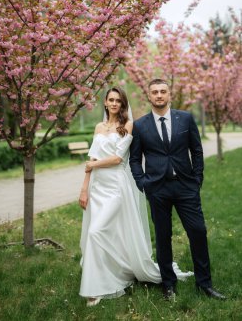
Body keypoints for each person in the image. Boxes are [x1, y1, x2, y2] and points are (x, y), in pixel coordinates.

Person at [78, 86, 193, 307]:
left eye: (118, 101)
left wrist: (92, 164)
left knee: (95, 231)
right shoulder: (99, 127)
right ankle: (105, 273)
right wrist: (84, 188)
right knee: (106, 232)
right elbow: (91, 156)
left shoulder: (128, 125)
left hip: (115, 187)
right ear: (104, 102)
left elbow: (116, 159)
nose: (114, 104)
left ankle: (106, 280)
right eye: (110, 100)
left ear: (123, 104)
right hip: (97, 186)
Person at [129, 78, 226, 301]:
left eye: (163, 91)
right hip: (157, 188)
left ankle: (204, 284)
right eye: (155, 92)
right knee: (163, 237)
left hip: (185, 186)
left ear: (169, 94)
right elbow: (134, 159)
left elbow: (197, 151)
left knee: (198, 232)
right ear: (149, 96)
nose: (159, 95)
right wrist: (142, 182)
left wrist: (197, 179)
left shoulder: (185, 118)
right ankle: (168, 284)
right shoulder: (140, 125)